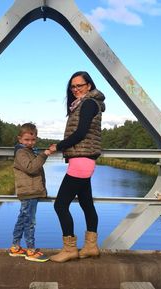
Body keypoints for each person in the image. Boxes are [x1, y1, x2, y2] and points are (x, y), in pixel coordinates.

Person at [49, 71, 106, 263]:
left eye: (79, 85)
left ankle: (69, 249)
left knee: (60, 204)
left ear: (89, 85)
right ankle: (91, 247)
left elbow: (81, 133)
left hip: (82, 160)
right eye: (73, 86)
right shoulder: (82, 104)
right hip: (83, 160)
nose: (75, 89)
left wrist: (58, 146)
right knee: (86, 204)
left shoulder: (89, 103)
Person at [9, 122, 51, 262]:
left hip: (29, 191)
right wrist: (44, 154)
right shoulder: (21, 152)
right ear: (19, 139)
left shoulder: (29, 151)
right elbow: (31, 168)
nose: (30, 142)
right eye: (27, 140)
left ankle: (15, 247)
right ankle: (31, 250)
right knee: (30, 222)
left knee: (23, 218)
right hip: (29, 192)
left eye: (33, 139)